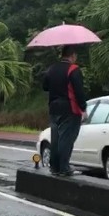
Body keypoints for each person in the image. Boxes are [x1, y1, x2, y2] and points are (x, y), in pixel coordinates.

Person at [43, 45, 87, 176]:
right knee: (66, 138)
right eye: (75, 56)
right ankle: (64, 167)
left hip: (53, 108)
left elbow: (45, 87)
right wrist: (83, 108)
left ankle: (54, 167)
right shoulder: (73, 70)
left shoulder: (51, 69)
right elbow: (79, 91)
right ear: (72, 55)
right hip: (70, 109)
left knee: (55, 138)